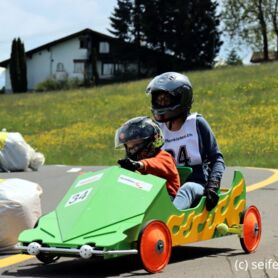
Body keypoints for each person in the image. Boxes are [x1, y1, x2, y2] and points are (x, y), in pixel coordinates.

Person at [145, 72, 225, 211]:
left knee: (186, 189)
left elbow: (216, 158)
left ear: (181, 98)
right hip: (169, 184)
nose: (160, 104)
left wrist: (213, 184)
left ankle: (170, 222)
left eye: (165, 100)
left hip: (197, 183)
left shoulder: (196, 124)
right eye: (158, 99)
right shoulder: (157, 129)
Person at [115, 116, 180, 199]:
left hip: (167, 200)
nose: (132, 151)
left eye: (136, 146)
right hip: (147, 198)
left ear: (151, 141)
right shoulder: (135, 162)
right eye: (130, 148)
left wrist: (138, 165)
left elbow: (153, 163)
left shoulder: (164, 157)